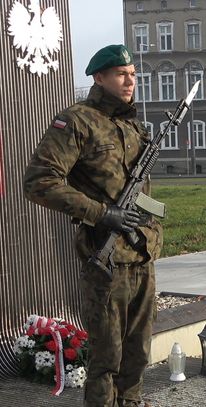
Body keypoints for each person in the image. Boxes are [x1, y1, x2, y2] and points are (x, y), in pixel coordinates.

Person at [23, 45, 162, 407]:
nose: (130, 80)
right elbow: (39, 181)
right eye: (120, 73)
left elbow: (137, 189)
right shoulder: (77, 121)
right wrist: (101, 213)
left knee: (138, 355)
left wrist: (146, 218)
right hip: (106, 262)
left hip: (141, 254)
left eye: (132, 73)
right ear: (99, 77)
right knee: (107, 361)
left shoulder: (132, 122)